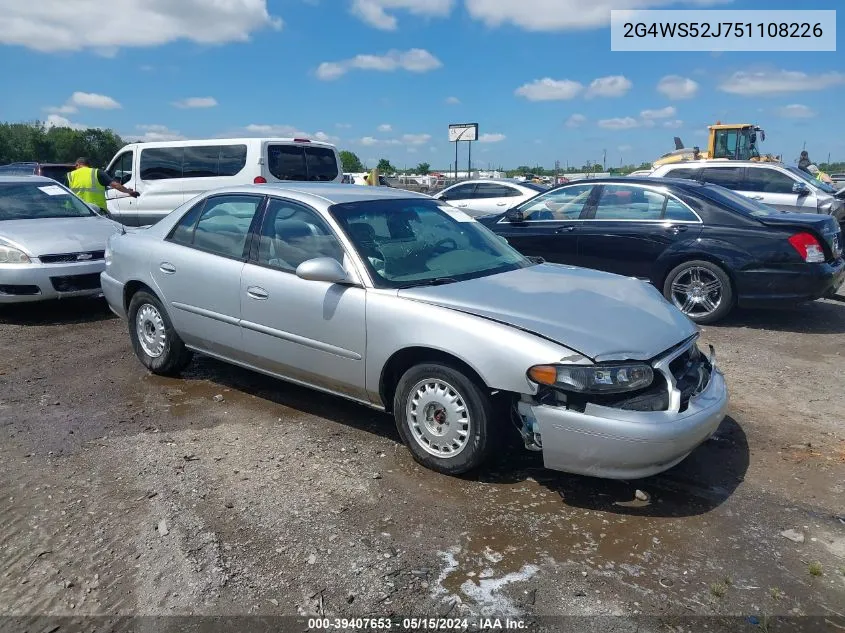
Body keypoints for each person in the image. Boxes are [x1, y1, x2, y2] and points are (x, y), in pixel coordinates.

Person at [67, 157, 139, 213]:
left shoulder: (70, 175)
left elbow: (63, 192)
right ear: (89, 165)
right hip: (97, 211)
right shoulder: (97, 172)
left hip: (76, 212)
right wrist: (129, 192)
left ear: (77, 165)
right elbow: (115, 185)